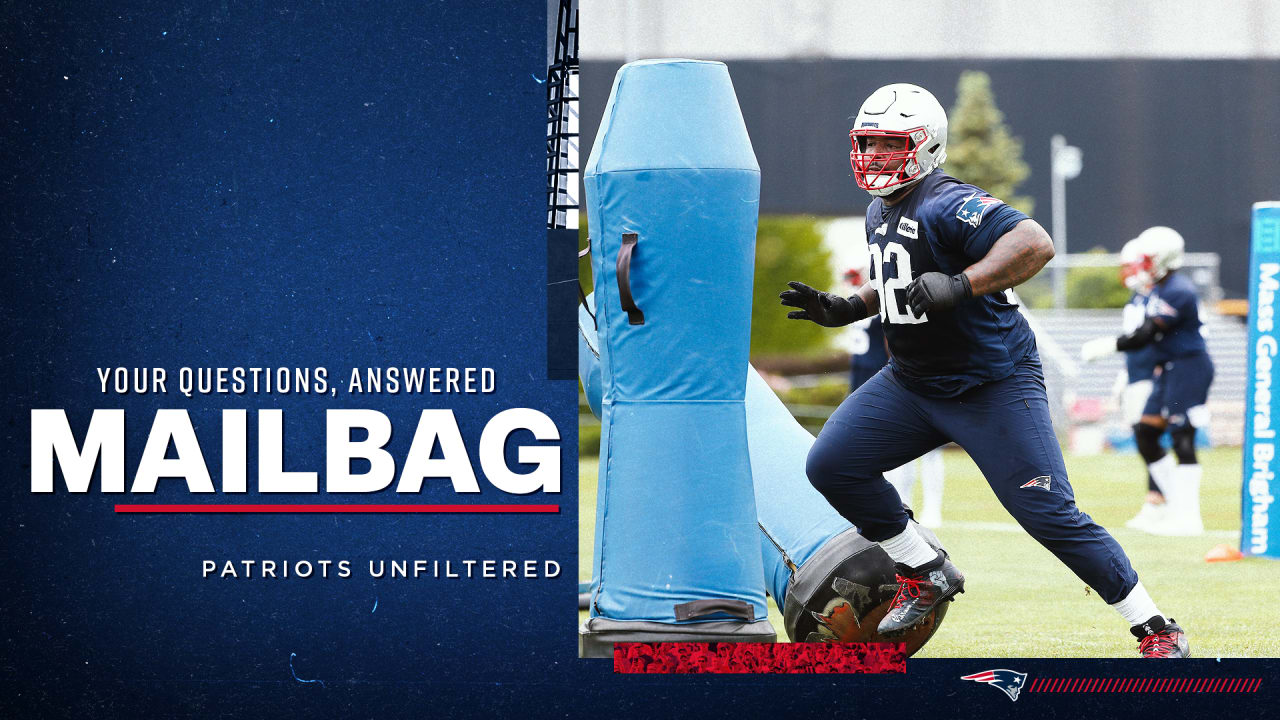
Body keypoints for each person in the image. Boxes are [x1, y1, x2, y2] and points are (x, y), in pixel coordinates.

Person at [779, 83, 1188, 657]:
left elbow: (1034, 243)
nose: (874, 155)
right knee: (832, 464)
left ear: (926, 147)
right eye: (867, 142)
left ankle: (1155, 627)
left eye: (890, 143)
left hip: (991, 384)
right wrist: (853, 305)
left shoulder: (947, 200)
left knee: (1047, 513)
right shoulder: (880, 209)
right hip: (914, 381)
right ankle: (924, 570)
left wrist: (964, 284)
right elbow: (904, 277)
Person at [1081, 227, 1213, 536]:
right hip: (1168, 368)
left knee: (1183, 437)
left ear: (1162, 259)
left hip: (1189, 366)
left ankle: (1189, 518)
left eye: (1146, 259)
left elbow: (1147, 333)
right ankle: (1172, 507)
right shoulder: (1157, 289)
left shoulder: (1178, 290)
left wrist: (1110, 345)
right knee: (1146, 433)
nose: (1141, 266)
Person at [845, 263, 946, 528]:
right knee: (887, 454)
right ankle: (902, 504)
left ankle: (932, 507)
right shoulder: (854, 305)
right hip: (864, 383)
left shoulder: (889, 300)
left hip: (896, 381)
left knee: (927, 451)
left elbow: (897, 340)